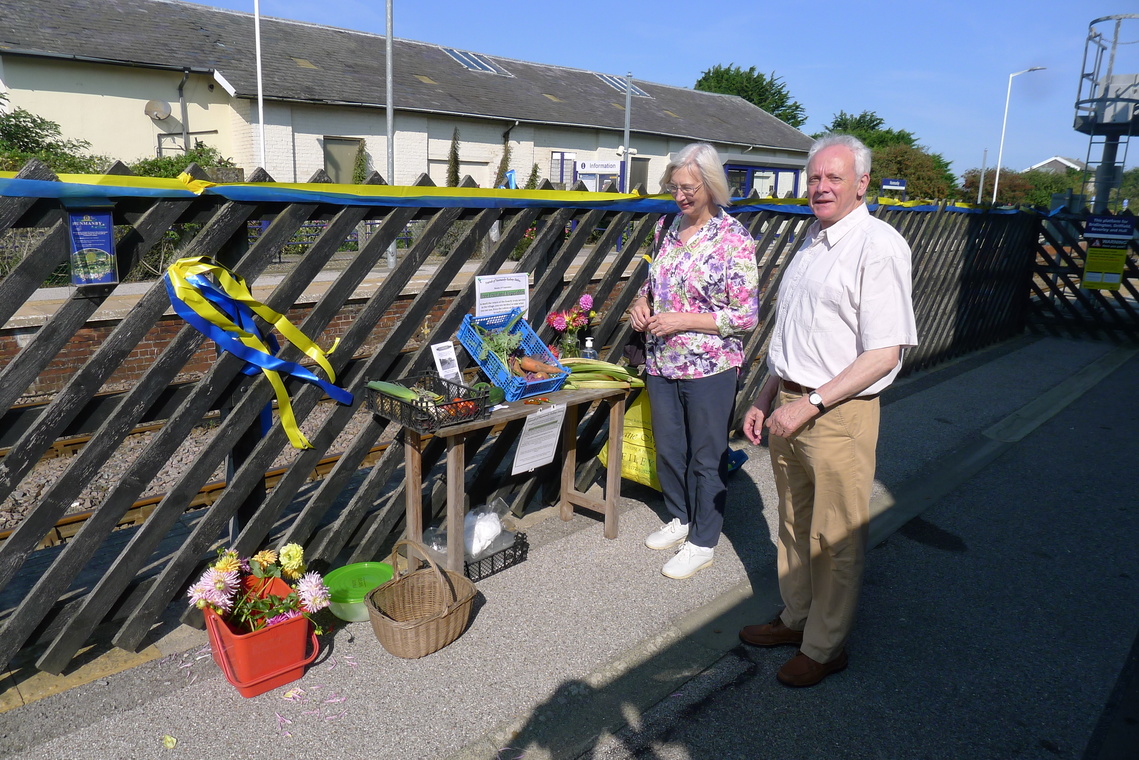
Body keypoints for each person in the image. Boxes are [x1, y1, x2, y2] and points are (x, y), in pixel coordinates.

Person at [739, 134, 918, 687]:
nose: (820, 187)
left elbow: (885, 351)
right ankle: (796, 620)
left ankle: (825, 646)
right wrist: (767, 394)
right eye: (814, 178)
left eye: (833, 178)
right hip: (790, 402)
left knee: (834, 536)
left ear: (861, 183)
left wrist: (812, 402)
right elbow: (795, 331)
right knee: (793, 524)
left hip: (838, 412)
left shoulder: (878, 246)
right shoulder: (813, 241)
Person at [629, 142, 759, 580]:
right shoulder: (666, 227)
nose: (680, 195)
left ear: (711, 184)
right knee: (669, 448)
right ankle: (680, 518)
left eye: (688, 187)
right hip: (662, 362)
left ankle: (703, 540)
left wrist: (684, 319)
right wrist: (640, 304)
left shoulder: (734, 239)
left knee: (706, 456)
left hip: (710, 367)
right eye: (674, 187)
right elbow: (654, 285)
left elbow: (745, 316)